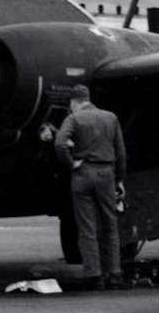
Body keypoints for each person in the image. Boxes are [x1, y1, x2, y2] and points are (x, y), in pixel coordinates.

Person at [54, 85, 129, 290]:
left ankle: (94, 274)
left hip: (83, 174)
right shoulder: (110, 118)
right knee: (110, 224)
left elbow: (60, 143)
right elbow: (121, 152)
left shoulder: (73, 118)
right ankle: (114, 273)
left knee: (87, 227)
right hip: (106, 173)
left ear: (74, 102)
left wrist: (71, 163)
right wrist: (119, 179)